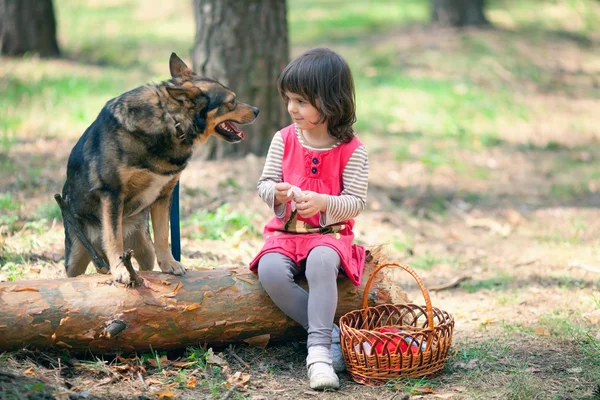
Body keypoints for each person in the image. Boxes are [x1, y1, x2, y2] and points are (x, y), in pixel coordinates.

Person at [249, 48, 369, 390]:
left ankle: (317, 353)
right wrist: (278, 192)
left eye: (301, 101)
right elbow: (264, 184)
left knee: (320, 263)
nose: (291, 108)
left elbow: (355, 202)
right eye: (288, 99)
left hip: (329, 236)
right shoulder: (283, 139)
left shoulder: (352, 150)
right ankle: (330, 334)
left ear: (329, 101)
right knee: (270, 271)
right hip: (285, 236)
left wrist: (322, 203)